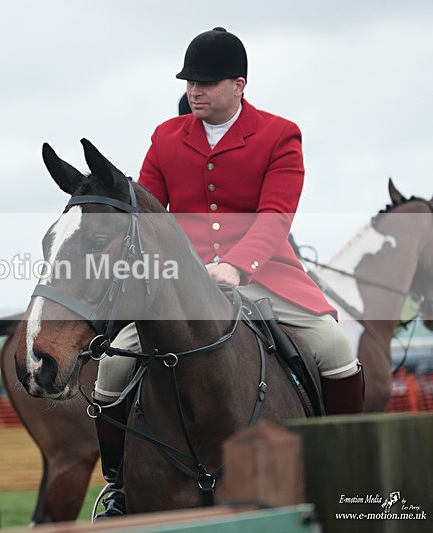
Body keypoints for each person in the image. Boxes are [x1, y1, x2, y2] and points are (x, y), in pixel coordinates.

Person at [92, 27, 363, 518]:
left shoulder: (280, 134)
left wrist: (237, 266)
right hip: (183, 285)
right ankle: (117, 487)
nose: (195, 89)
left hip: (263, 275)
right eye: (190, 81)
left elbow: (276, 215)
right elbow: (147, 214)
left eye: (207, 82)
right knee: (111, 368)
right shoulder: (166, 136)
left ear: (239, 84)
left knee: (336, 348)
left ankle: (343, 473)